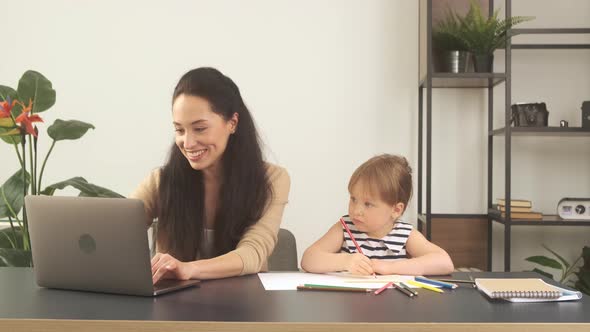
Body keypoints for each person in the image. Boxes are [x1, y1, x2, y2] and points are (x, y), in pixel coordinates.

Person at [131, 67, 290, 283]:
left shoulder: (272, 179)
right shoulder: (162, 180)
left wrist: (188, 269)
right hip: (174, 307)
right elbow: (120, 230)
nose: (187, 143)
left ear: (232, 123)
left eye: (200, 128)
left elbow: (253, 253)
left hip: (246, 305)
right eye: (179, 130)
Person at [301, 154, 453, 276]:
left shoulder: (404, 234)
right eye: (353, 199)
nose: (356, 210)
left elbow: (444, 262)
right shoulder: (345, 228)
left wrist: (391, 267)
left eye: (368, 204)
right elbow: (308, 259)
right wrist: (346, 261)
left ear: (396, 210)